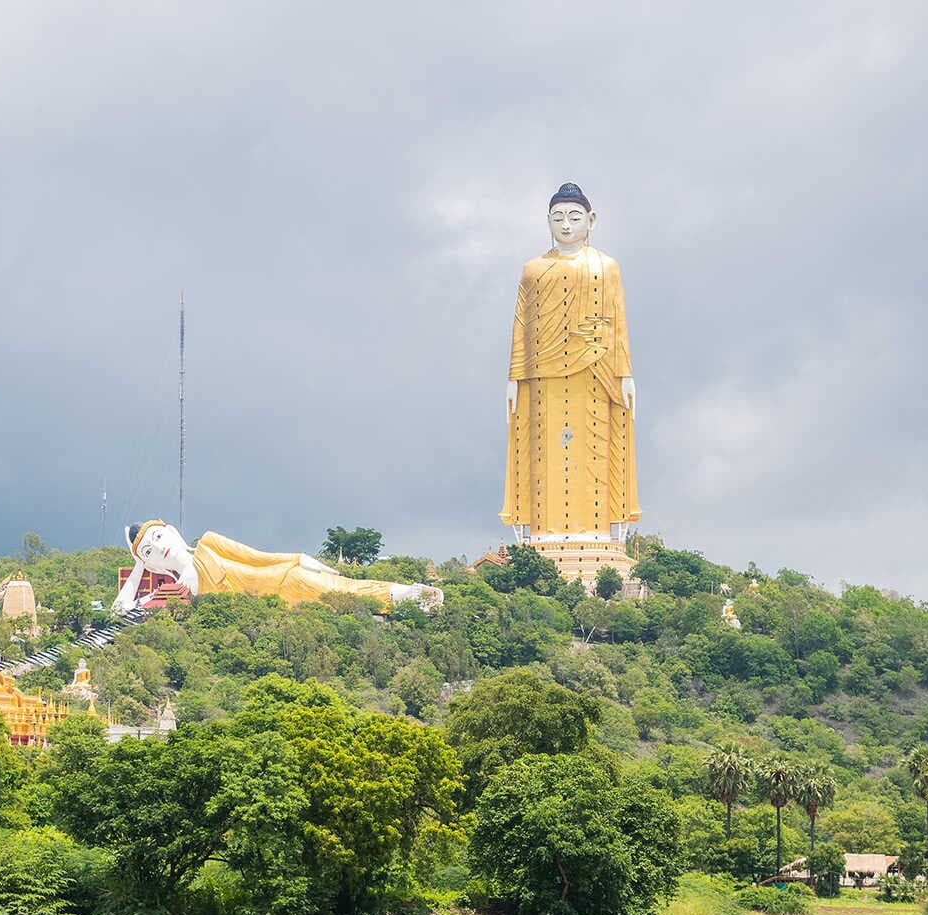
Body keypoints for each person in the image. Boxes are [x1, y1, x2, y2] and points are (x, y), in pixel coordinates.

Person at [501, 182, 640, 541]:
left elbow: (619, 321)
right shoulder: (533, 270)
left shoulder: (607, 267)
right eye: (557, 217)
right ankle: (542, 534)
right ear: (546, 221)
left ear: (591, 220)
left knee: (594, 451)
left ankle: (598, 534)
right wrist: (513, 377)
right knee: (544, 454)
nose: (566, 225)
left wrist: (625, 374)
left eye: (574, 217)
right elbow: (521, 324)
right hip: (542, 375)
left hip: (596, 370)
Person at [112, 521, 442, 615]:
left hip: (284, 580)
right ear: (149, 561)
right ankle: (403, 603)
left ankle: (409, 596)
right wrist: (139, 567)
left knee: (344, 590)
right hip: (273, 610)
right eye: (149, 550)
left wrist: (299, 558)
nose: (159, 546)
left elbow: (259, 557)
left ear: (170, 528)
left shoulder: (210, 543)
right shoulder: (177, 588)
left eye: (157, 536)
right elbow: (119, 610)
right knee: (342, 606)